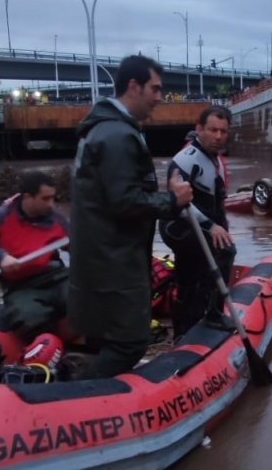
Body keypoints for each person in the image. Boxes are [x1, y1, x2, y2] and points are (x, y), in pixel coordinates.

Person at [65, 54, 193, 380]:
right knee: (131, 343)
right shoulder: (117, 136)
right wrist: (171, 200)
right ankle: (78, 396)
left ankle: (85, 388)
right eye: (155, 89)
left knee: (103, 337)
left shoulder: (102, 130)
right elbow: (123, 201)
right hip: (115, 260)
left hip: (99, 255)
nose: (160, 98)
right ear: (133, 86)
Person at [0, 171, 69, 343]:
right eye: (45, 199)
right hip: (21, 286)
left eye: (53, 198)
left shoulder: (55, 217)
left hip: (56, 276)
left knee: (89, 299)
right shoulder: (0, 216)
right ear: (27, 197)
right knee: (30, 318)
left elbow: (77, 246)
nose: (51, 204)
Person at [159, 106, 236, 338]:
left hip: (199, 224)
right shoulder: (184, 160)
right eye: (213, 130)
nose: (218, 136)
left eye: (223, 131)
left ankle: (188, 328)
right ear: (199, 129)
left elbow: (217, 202)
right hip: (177, 226)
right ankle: (212, 314)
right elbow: (180, 204)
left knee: (193, 274)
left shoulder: (217, 160)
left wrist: (221, 225)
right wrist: (212, 227)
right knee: (223, 252)